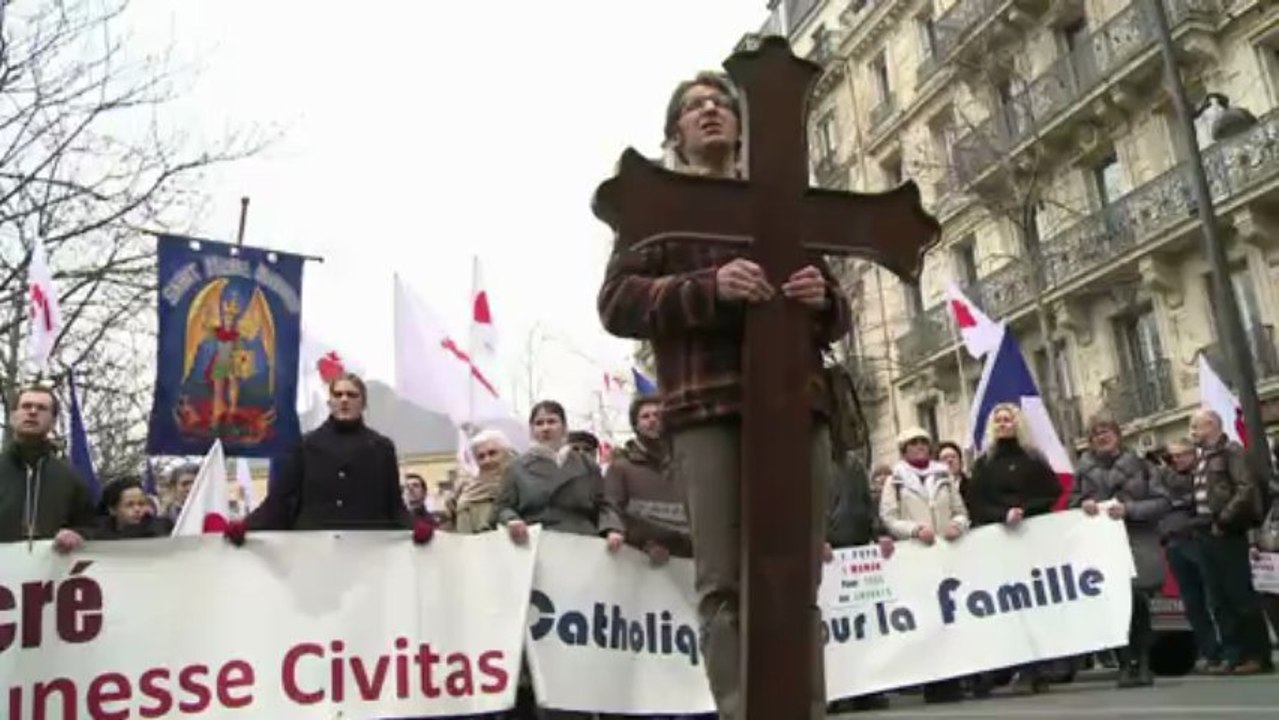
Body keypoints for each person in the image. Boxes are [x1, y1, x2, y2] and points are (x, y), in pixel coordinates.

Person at [597, 70, 851, 720]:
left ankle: (805, 711)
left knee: (798, 578)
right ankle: (740, 711)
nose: (710, 112)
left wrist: (824, 300)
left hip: (798, 405)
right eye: (693, 107)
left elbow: (833, 305)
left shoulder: (778, 202)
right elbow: (618, 302)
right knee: (723, 582)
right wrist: (706, 287)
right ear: (673, 131)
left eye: (720, 104)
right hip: (706, 410)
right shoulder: (654, 208)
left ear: (740, 126)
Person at [243, 373, 423, 537]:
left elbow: (394, 507)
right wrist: (244, 527)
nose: (344, 399)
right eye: (338, 395)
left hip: (368, 549)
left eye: (352, 395)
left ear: (363, 403)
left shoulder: (382, 448)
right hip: (314, 549)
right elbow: (279, 503)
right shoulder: (304, 446)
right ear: (329, 402)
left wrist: (416, 528)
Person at [964, 403, 1064, 697]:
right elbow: (976, 501)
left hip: (1032, 538)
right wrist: (1002, 514)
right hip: (1000, 541)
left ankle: (1038, 669)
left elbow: (1051, 492)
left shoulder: (1033, 459)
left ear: (1017, 423)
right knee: (1008, 607)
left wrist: (1024, 510)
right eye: (999, 420)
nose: (1004, 424)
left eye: (1008, 419)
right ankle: (1010, 665)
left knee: (1035, 605)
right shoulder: (984, 463)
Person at [1072, 414, 1170, 688]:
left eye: (1106, 431)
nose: (1101, 437)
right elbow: (1072, 502)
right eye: (1095, 434)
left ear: (1117, 434)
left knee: (1138, 601)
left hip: (1136, 540)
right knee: (1113, 605)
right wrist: (1084, 505)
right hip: (1102, 545)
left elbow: (1162, 502)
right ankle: (1125, 662)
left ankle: (1143, 661)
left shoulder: (1142, 465)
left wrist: (1130, 510)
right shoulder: (1083, 469)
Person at [880, 427, 969, 704]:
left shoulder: (943, 474)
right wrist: (915, 530)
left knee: (950, 615)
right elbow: (889, 517)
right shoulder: (895, 480)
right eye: (912, 443)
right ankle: (932, 680)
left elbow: (961, 511)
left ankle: (953, 678)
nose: (919, 447)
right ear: (904, 449)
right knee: (926, 617)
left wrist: (957, 525)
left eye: (923, 442)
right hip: (916, 555)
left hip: (945, 554)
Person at [1188, 408, 1271, 674]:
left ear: (1212, 426)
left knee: (1240, 595)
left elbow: (1245, 489)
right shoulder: (1203, 458)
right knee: (1219, 598)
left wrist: (1224, 520)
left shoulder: (1231, 452)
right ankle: (1234, 654)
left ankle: (1257, 655)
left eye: (1196, 427)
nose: (1192, 433)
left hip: (1226, 532)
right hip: (1205, 533)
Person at [824, 450, 894, 713]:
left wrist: (879, 532)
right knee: (832, 627)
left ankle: (866, 688)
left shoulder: (853, 463)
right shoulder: (805, 456)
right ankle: (836, 691)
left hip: (857, 548)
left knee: (862, 624)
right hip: (827, 552)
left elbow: (867, 503)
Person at [0, 385, 94, 550]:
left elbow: (92, 526)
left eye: (42, 408)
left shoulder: (70, 479)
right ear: (12, 416)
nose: (33, 412)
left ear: (53, 422)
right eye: (26, 406)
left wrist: (77, 534)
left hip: (50, 571)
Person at [604, 395, 691, 562]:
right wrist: (643, 544)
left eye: (657, 415)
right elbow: (612, 508)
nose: (652, 420)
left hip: (687, 558)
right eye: (645, 416)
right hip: (639, 560)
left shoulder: (685, 467)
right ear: (636, 425)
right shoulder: (621, 467)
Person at [450, 428, 514, 534]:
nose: (487, 460)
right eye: (481, 457)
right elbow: (466, 541)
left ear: (507, 454)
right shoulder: (469, 498)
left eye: (492, 453)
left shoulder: (524, 485)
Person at [92, 476, 174, 539]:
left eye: (141, 504)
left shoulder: (162, 528)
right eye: (129, 505)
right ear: (112, 510)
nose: (137, 509)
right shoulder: (97, 535)